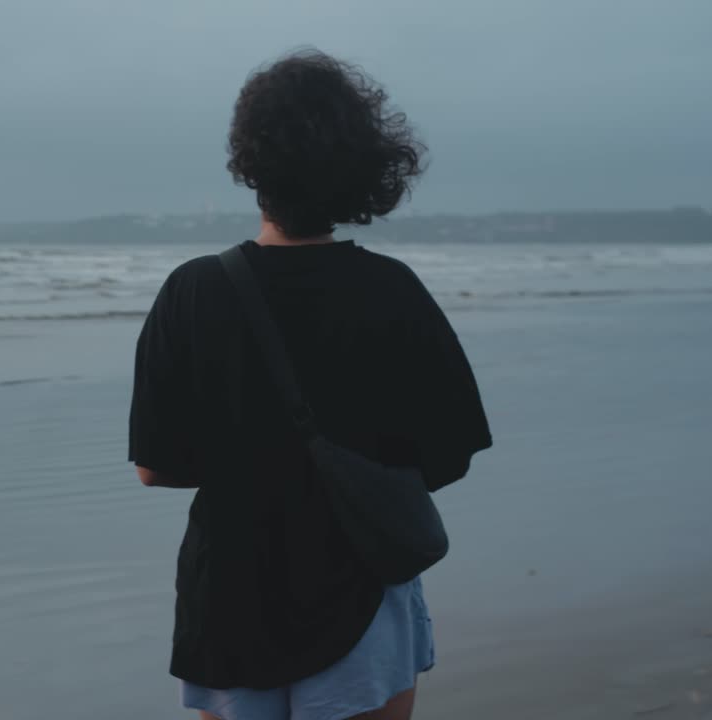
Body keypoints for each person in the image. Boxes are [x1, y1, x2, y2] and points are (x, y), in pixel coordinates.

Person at [128, 49, 492, 720]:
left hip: (232, 598)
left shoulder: (192, 292)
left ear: (250, 160)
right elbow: (451, 454)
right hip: (360, 586)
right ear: (361, 164)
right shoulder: (393, 291)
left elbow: (154, 467)